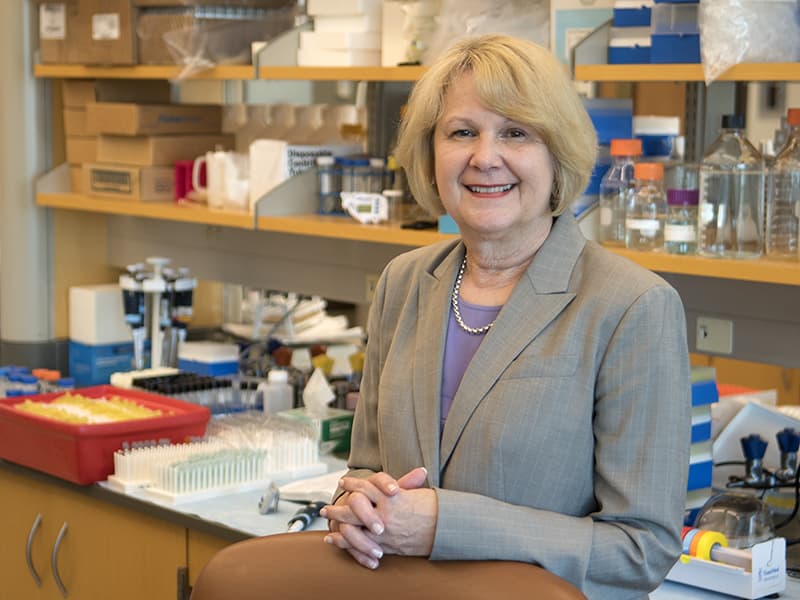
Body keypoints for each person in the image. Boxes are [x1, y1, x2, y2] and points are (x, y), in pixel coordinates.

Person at [320, 34, 691, 599]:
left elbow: (641, 550)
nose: (484, 157)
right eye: (462, 132)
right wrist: (355, 507)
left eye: (515, 132)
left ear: (557, 152)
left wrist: (445, 526)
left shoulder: (632, 306)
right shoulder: (404, 282)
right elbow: (366, 469)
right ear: (431, 153)